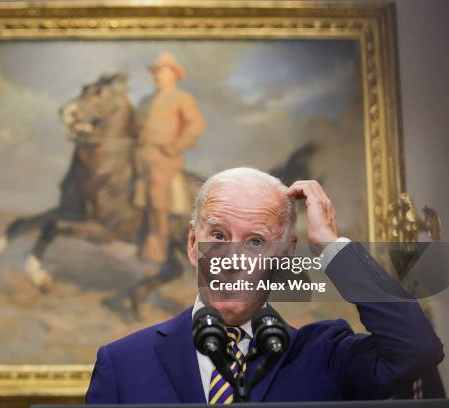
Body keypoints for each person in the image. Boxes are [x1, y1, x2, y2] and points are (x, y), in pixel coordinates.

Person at [87, 167, 444, 403]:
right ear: (193, 244)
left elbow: (416, 349)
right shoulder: (122, 364)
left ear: (286, 255)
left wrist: (330, 247)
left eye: (256, 241)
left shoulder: (324, 356)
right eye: (217, 235)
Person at [134, 52, 206, 263]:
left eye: (163, 71)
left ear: (174, 74)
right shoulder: (145, 101)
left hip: (165, 157)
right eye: (156, 71)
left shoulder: (182, 98)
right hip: (140, 154)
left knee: (157, 191)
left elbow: (196, 125)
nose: (158, 75)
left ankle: (157, 245)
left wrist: (175, 146)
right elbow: (136, 127)